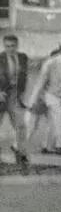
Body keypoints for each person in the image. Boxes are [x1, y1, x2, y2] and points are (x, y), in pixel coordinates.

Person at [0, 34, 28, 164]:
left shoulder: (22, 58)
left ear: (17, 46)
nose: (10, 49)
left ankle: (20, 152)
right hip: (1, 94)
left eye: (12, 46)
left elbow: (24, 76)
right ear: (3, 46)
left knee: (20, 125)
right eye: (7, 46)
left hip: (14, 94)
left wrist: (22, 93)